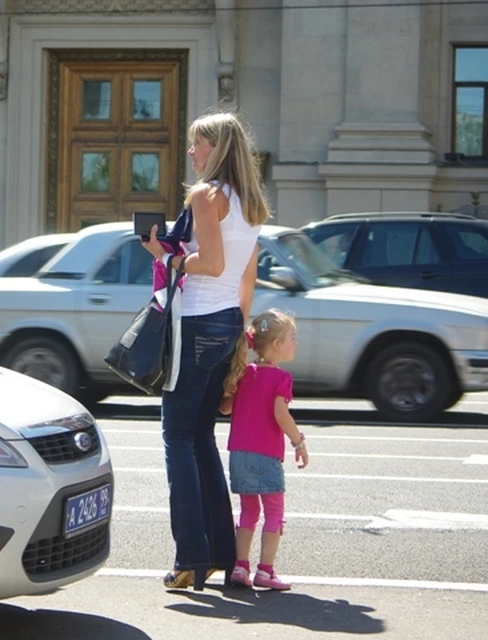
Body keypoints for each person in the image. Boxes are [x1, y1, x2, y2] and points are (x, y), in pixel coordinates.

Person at [141, 111, 270, 591]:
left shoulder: (205, 195)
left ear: (215, 148)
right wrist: (237, 336)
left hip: (195, 324)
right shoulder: (249, 202)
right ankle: (216, 552)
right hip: (227, 323)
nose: (191, 153)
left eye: (196, 145)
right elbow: (245, 277)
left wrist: (165, 255)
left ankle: (190, 558)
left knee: (177, 437)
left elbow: (211, 264)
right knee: (201, 437)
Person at [219, 309, 309, 590]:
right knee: (274, 512)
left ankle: (240, 566)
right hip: (267, 455)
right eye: (293, 338)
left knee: (248, 512)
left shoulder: (245, 373)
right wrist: (299, 441)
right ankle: (265, 571)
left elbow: (225, 409)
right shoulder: (281, 379)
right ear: (277, 345)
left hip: (239, 454)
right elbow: (281, 415)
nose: (297, 343)